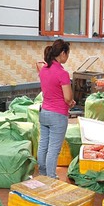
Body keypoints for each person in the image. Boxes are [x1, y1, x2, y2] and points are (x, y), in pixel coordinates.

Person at [37, 39, 76, 179]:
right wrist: (71, 102)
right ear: (63, 53)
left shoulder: (44, 70)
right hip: (58, 114)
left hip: (44, 111)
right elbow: (67, 97)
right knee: (53, 149)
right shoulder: (62, 73)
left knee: (43, 145)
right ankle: (51, 178)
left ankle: (42, 174)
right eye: (68, 53)